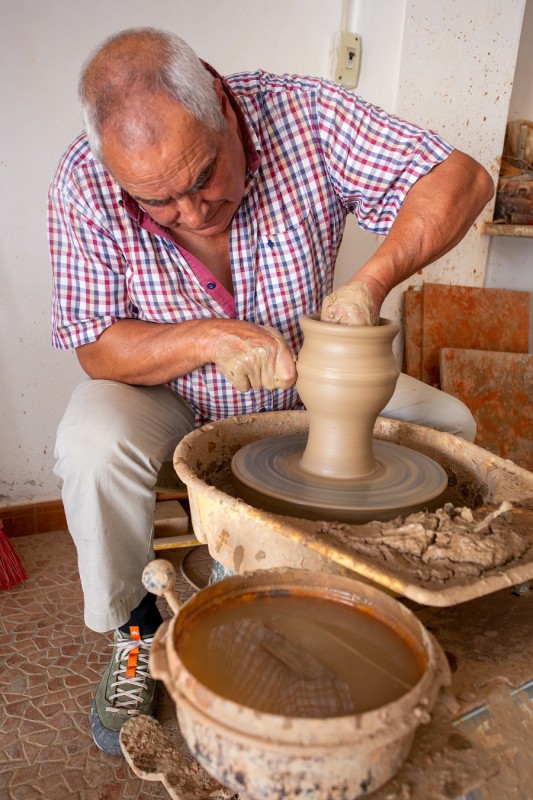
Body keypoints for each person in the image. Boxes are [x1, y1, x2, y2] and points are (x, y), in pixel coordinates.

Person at [48, 27, 494, 755]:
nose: (192, 213)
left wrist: (365, 285)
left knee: (445, 424)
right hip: (169, 390)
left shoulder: (302, 115)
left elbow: (462, 179)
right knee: (92, 442)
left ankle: (368, 594)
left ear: (223, 105)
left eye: (202, 179)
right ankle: (134, 630)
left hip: (300, 378)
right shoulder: (84, 179)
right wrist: (206, 338)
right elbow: (97, 344)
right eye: (157, 203)